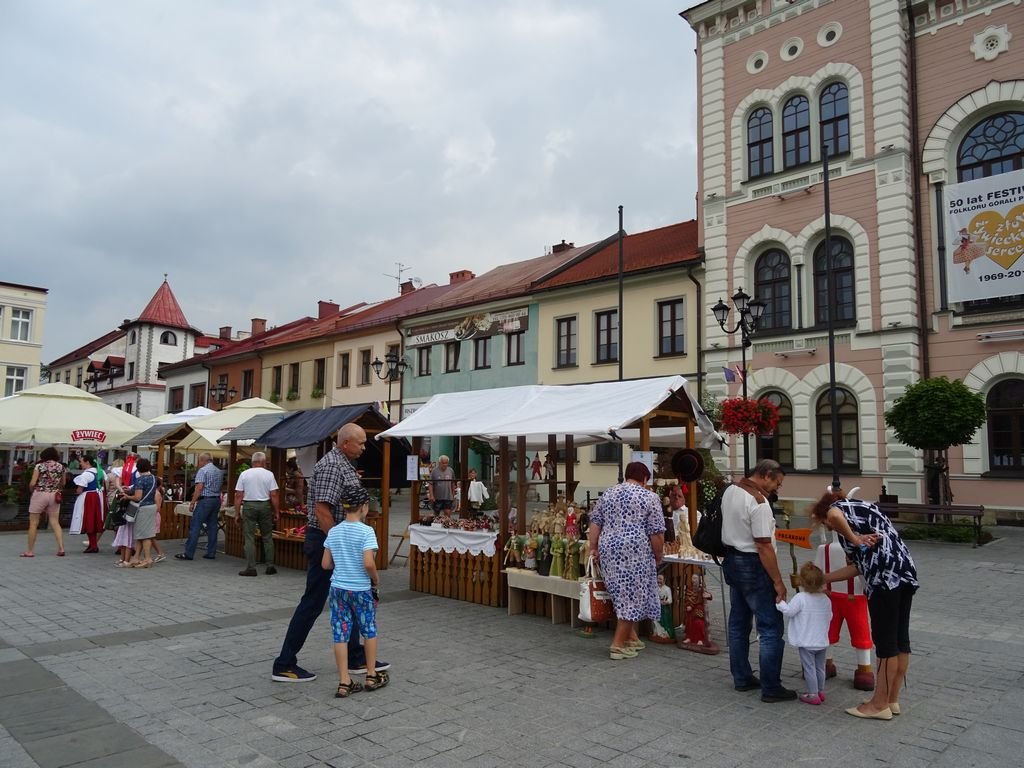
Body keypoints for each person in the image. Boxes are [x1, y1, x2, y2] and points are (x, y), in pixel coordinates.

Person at [271, 423, 390, 683]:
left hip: (335, 539)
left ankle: (357, 656)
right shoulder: (332, 466)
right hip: (326, 539)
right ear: (346, 443)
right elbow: (322, 511)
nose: (364, 446)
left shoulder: (342, 464)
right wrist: (341, 545)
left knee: (353, 592)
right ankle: (284, 663)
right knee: (313, 602)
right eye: (360, 442)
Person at [809, 489, 919, 721]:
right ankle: (891, 700)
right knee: (900, 641)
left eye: (824, 524)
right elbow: (858, 566)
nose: (829, 528)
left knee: (885, 643)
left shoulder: (841, 509)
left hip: (884, 582)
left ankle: (878, 705)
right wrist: (825, 579)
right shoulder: (865, 511)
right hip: (904, 575)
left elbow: (835, 516)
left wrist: (853, 539)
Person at [721, 459, 794, 702]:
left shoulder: (731, 490)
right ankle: (771, 687)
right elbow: (763, 546)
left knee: (738, 622)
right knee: (771, 627)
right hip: (753, 565)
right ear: (766, 475)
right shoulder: (759, 502)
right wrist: (778, 581)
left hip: (732, 560)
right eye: (777, 483)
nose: (777, 489)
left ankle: (741, 677)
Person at [588, 461, 664, 661]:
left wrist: (593, 547)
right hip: (635, 551)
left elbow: (595, 522)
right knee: (632, 596)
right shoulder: (650, 497)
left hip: (609, 548)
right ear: (645, 478)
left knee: (619, 593)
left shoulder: (609, 493)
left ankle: (632, 638)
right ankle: (617, 645)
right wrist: (659, 554)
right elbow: (656, 532)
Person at [322, 484, 388, 697]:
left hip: (338, 588)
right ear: (364, 507)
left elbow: (325, 564)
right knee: (368, 629)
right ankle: (371, 674)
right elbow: (368, 563)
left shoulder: (334, 531)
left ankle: (344, 681)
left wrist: (342, 564)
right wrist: (375, 579)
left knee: (340, 633)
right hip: (360, 588)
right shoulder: (367, 531)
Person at [775, 562, 833, 705]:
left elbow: (790, 612)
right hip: (821, 641)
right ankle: (820, 691)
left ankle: (812, 694)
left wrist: (780, 604)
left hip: (806, 642)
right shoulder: (826, 599)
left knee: (809, 668)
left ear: (801, 581)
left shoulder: (800, 598)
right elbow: (830, 616)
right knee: (820, 667)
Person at [235, 451, 280, 577]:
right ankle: (270, 565)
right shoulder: (269, 474)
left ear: (252, 462)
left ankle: (251, 567)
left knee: (249, 537)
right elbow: (274, 494)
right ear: (264, 462)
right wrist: (276, 511)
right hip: (265, 505)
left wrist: (237, 513)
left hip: (249, 505)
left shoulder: (244, 474)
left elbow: (238, 495)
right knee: (267, 536)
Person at [176, 453, 223, 561]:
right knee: (212, 527)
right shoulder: (218, 471)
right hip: (216, 500)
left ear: (202, 460)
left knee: (195, 525)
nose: (198, 464)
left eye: (198, 461)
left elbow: (199, 488)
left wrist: (192, 502)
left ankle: (189, 553)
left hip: (205, 500)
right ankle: (211, 552)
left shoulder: (203, 471)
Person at [23, 447, 66, 557]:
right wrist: (57, 489)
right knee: (55, 522)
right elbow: (63, 482)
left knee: (33, 523)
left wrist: (32, 490)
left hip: (40, 494)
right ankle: (61, 548)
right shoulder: (61, 467)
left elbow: (33, 483)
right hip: (54, 495)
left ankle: (30, 551)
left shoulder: (39, 466)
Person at [124, 458, 159, 568]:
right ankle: (136, 558)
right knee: (140, 534)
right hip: (152, 506)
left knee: (145, 535)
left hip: (143, 508)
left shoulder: (140, 480)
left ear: (138, 468)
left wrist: (127, 497)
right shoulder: (154, 478)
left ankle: (147, 559)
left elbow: (137, 497)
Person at [70, 454, 106, 553]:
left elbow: (79, 489)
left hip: (89, 498)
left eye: (81, 462)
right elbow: (104, 484)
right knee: (95, 520)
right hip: (99, 497)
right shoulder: (101, 472)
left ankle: (93, 545)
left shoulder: (86, 474)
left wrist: (77, 492)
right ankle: (93, 544)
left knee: (89, 520)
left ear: (87, 462)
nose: (80, 464)